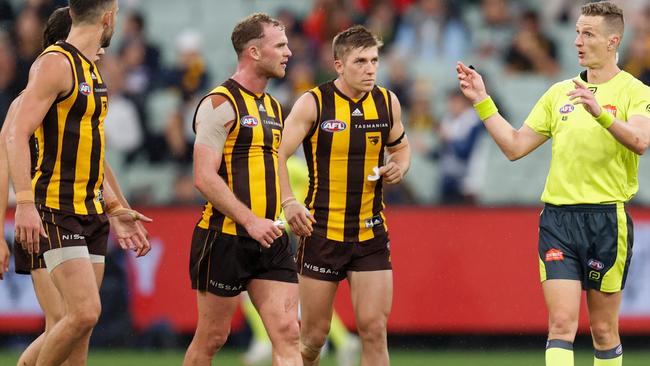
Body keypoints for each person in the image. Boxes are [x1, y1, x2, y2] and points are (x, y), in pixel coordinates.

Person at [456, 2, 650, 366]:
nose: (578, 41)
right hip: (559, 221)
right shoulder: (560, 92)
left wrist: (600, 115)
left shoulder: (635, 92)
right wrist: (483, 101)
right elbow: (515, 147)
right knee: (561, 324)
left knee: (604, 330)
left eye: (588, 34)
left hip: (607, 220)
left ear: (613, 41)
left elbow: (640, 142)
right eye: (576, 32)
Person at [4, 2, 151, 365]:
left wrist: (115, 208)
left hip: (90, 210)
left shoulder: (91, 75)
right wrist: (22, 204)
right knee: (76, 315)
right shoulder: (53, 68)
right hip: (51, 209)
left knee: (76, 328)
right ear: (107, 18)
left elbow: (92, 155)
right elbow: (11, 143)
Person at [279, 25, 411, 366]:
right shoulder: (314, 102)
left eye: (374, 61)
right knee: (312, 339)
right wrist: (288, 201)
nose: (370, 69)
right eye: (360, 61)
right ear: (339, 65)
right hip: (322, 233)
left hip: (370, 234)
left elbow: (402, 148)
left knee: (374, 330)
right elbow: (276, 154)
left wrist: (399, 167)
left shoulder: (386, 102)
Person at [183, 13, 301, 366]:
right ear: (253, 51)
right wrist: (251, 221)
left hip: (271, 237)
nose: (289, 52)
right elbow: (203, 177)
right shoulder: (219, 104)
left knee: (288, 331)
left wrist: (290, 203)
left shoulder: (273, 107)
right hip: (224, 237)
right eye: (279, 45)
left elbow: (276, 166)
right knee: (212, 339)